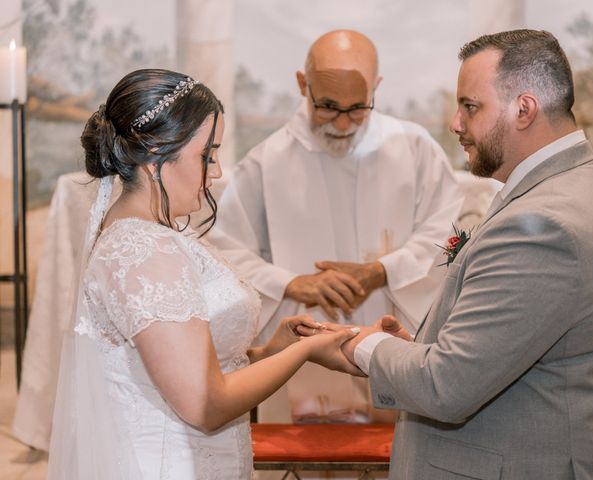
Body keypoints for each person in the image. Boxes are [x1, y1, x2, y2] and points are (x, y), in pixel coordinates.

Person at [336, 30, 593, 479]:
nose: (456, 123)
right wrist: (413, 352)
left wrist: (362, 346)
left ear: (524, 109)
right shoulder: (567, 185)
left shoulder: (546, 222)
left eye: (470, 106)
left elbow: (447, 385)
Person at [46, 68, 368, 480]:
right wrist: (302, 353)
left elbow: (179, 363)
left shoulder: (154, 237)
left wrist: (270, 351)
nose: (215, 172)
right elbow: (204, 406)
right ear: (156, 154)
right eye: (207, 154)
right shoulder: (143, 251)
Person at [210, 30, 463, 424]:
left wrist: (383, 272)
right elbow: (223, 251)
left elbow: (449, 234)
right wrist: (291, 283)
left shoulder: (415, 149)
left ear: (376, 88)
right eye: (328, 106)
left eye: (357, 107)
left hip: (392, 345)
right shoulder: (266, 162)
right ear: (302, 85)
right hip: (301, 351)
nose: (343, 123)